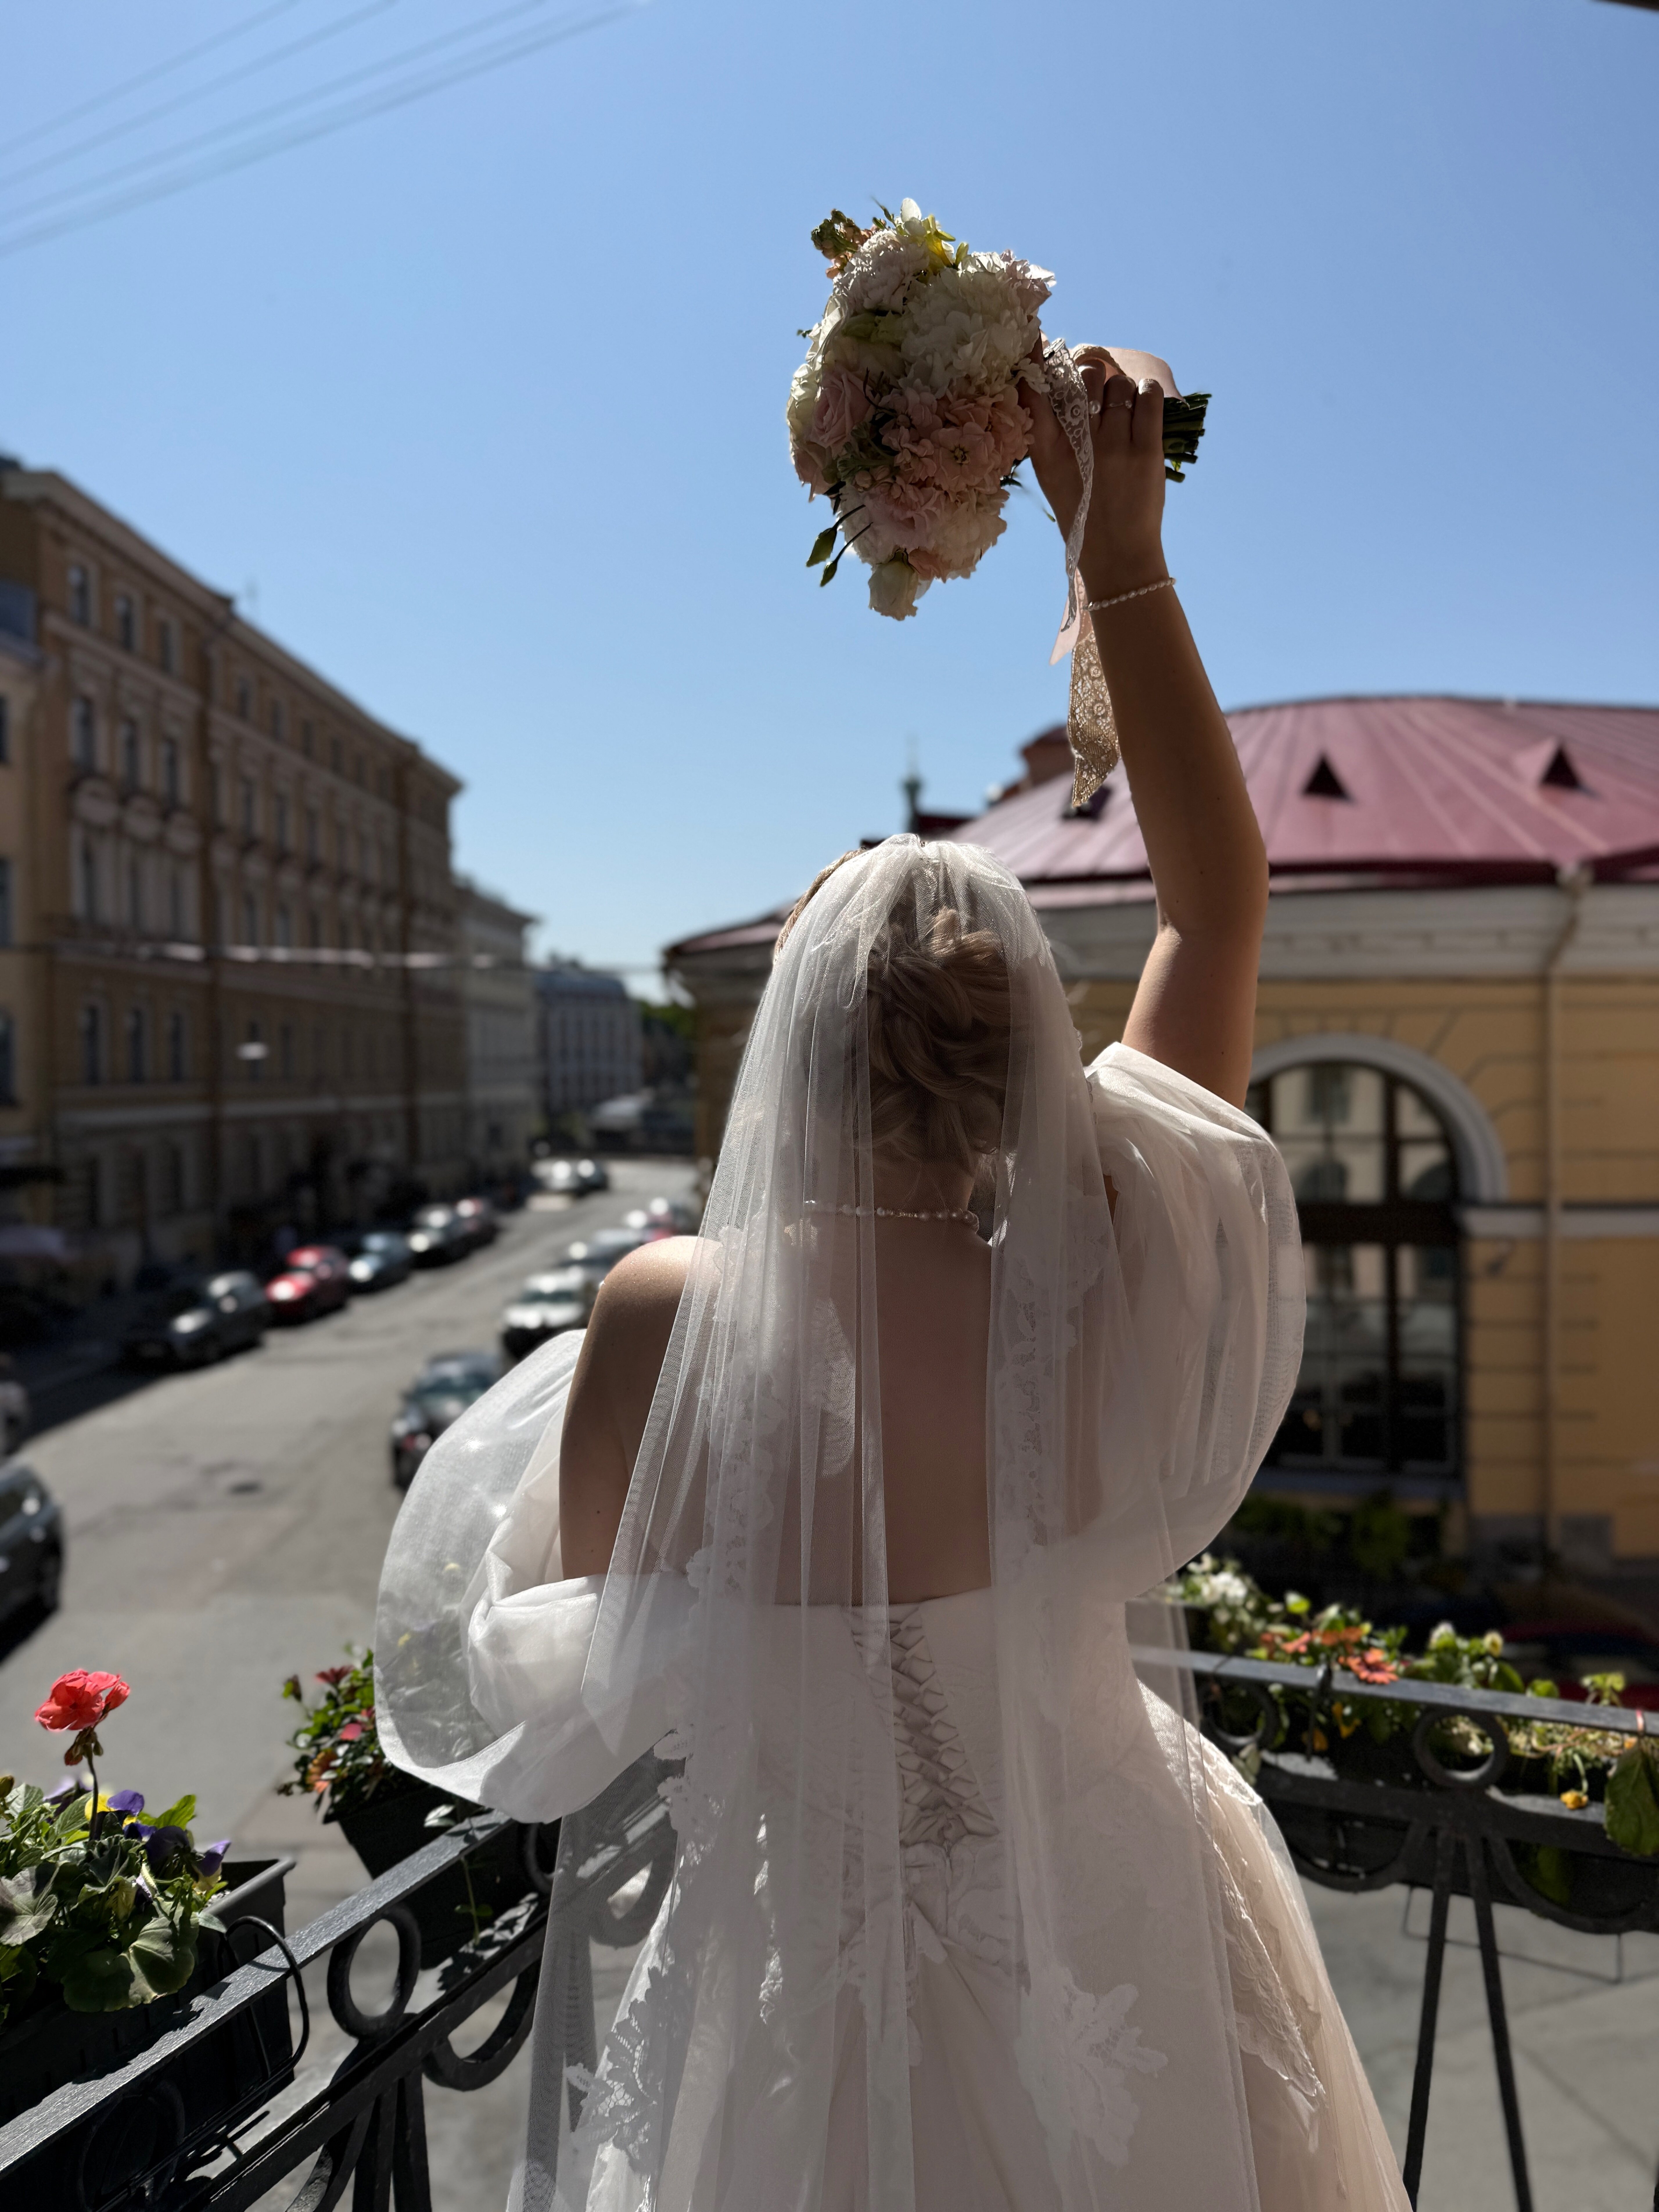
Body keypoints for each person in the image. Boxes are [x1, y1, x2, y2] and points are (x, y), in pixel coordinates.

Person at [377, 358, 1410, 2211]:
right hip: (1128, 1899)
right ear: (1024, 1050)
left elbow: (582, 1665)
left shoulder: (663, 1312)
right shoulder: (1105, 1264)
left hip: (804, 1958)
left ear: (794, 1058)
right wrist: (1124, 557)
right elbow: (1217, 904)